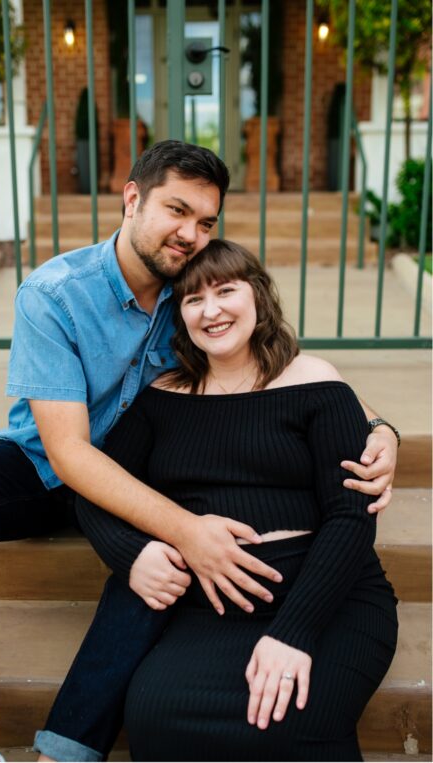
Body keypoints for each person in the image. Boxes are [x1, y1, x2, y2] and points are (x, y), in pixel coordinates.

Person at [0, 140, 400, 762]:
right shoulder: (56, 293)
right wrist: (185, 529)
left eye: (205, 221)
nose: (189, 233)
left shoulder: (193, 289)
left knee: (153, 563)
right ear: (132, 199)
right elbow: (70, 456)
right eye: (177, 211)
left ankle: (62, 752)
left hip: (143, 470)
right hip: (49, 463)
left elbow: (274, 376)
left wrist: (381, 429)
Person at [78, 239, 398, 760]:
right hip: (212, 603)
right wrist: (129, 554)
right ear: (178, 316)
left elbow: (350, 515)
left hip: (326, 594)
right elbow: (97, 487)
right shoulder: (161, 399)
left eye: (226, 291)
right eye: (192, 299)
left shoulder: (318, 384)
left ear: (257, 296)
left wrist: (294, 633)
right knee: (155, 715)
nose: (212, 311)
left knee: (286, 720)